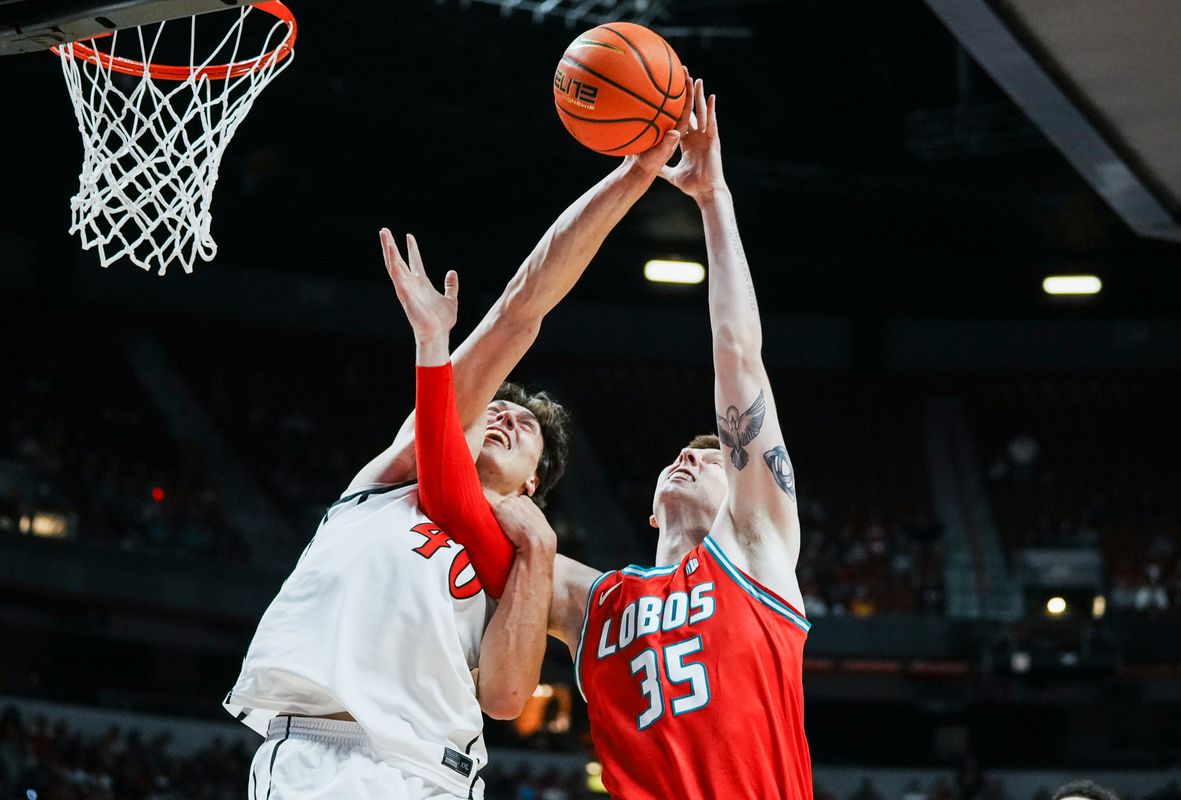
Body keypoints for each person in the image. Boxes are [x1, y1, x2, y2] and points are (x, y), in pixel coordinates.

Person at [222, 89, 693, 800]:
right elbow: (519, 309)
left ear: (534, 482)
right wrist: (631, 176)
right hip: (305, 752)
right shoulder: (393, 478)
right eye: (495, 410)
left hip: (425, 771)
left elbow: (505, 698)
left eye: (526, 427)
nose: (504, 417)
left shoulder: (514, 559)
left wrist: (535, 554)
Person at [418, 78, 813, 800]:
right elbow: (468, 507)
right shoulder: (596, 602)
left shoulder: (756, 553)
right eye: (680, 454)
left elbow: (737, 355)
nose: (691, 455)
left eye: (712, 455)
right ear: (653, 511)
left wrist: (712, 200)